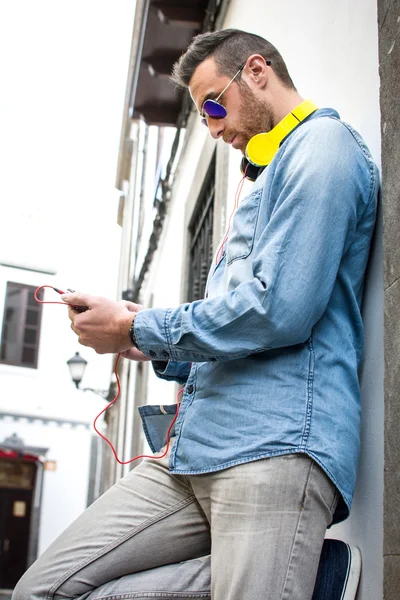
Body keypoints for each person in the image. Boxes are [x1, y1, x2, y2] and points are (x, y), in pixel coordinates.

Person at [13, 28, 378, 600]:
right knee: (45, 588)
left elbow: (279, 311)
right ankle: (309, 576)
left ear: (256, 71)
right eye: (203, 114)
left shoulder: (322, 146)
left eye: (214, 104)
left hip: (274, 447)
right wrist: (142, 340)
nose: (211, 127)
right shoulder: (258, 179)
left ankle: (293, 570)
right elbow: (231, 324)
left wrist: (138, 326)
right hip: (190, 455)